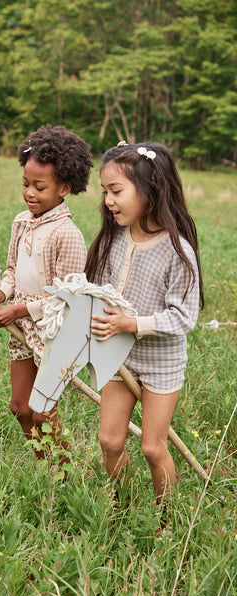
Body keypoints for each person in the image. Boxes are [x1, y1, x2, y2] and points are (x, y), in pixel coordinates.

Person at [85, 141, 204, 524]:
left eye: (116, 191)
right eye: (105, 192)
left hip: (161, 364)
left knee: (153, 448)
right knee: (110, 440)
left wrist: (132, 323)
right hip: (120, 356)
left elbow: (184, 317)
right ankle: (118, 508)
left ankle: (166, 518)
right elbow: (100, 293)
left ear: (151, 189)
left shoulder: (175, 249)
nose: (108, 202)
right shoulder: (114, 239)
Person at [0, 124, 93, 467]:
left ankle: (63, 473)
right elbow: (13, 270)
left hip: (52, 332)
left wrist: (17, 311)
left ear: (65, 187)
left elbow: (67, 298)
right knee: (20, 407)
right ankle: (45, 464)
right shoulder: (22, 222)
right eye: (26, 185)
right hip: (23, 325)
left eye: (40, 187)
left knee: (44, 412)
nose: (30, 193)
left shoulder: (68, 234)